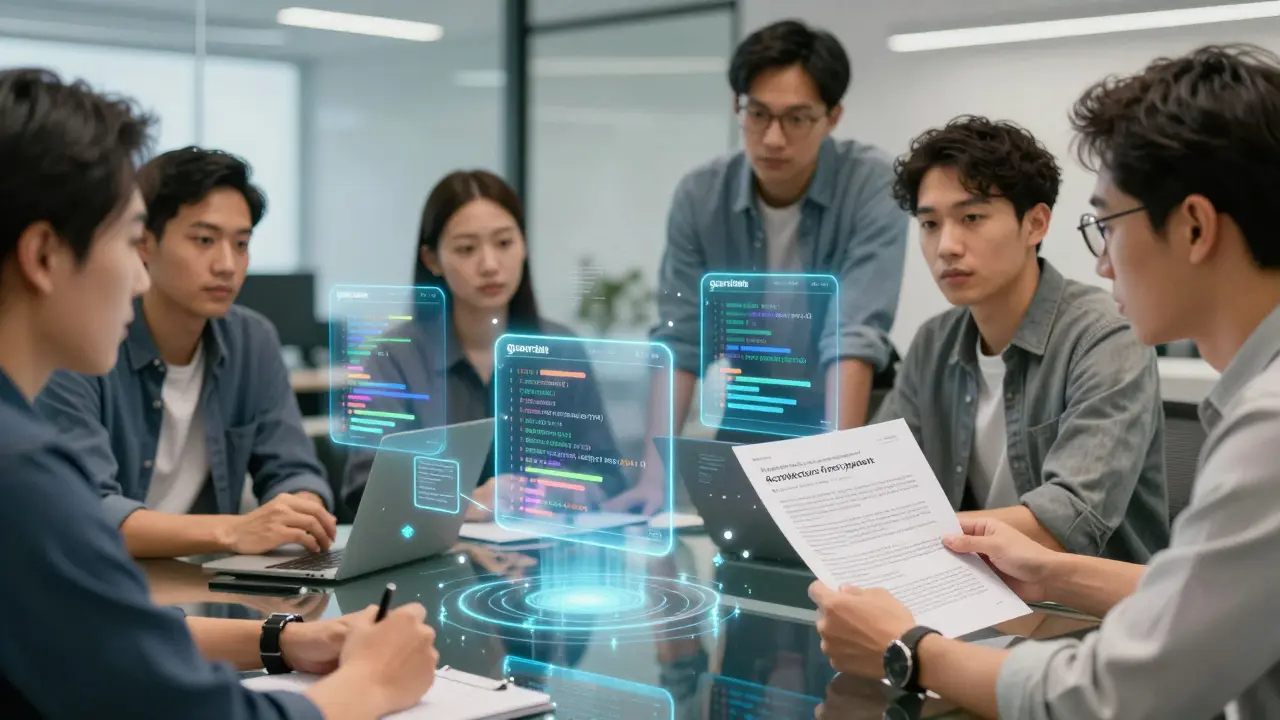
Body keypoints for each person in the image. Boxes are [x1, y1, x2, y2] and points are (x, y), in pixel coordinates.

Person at [809, 44, 1280, 719]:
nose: (1104, 265)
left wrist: (908, 647)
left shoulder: (1267, 428)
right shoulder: (936, 343)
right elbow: (1207, 598)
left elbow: (1117, 693)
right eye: (930, 224)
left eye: (1108, 226)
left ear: (1196, 226)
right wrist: (1051, 574)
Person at [0, 67, 439, 719]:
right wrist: (368, 686)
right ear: (43, 256)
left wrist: (286, 640)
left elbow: (112, 640)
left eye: (240, 243)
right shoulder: (23, 473)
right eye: (128, 241)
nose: (136, 275)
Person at [615, 19, 908, 515]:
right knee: (735, 548)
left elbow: (853, 336)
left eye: (797, 118)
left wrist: (838, 473)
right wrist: (654, 478)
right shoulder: (701, 195)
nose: (773, 138)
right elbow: (680, 342)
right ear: (738, 107)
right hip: (756, 403)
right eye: (758, 114)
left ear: (833, 117)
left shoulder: (871, 185)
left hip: (848, 410)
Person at [871, 116, 1167, 561]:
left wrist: (918, 532)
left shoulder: (1104, 336)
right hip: (976, 588)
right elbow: (878, 483)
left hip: (1094, 612)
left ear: (1036, 224)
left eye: (971, 217)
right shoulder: (933, 343)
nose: (947, 246)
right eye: (930, 224)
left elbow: (1067, 520)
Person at [35, 146, 337, 559]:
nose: (227, 265)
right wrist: (235, 531)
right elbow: (85, 510)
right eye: (204, 240)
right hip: (103, 580)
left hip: (205, 584)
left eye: (242, 243)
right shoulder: (85, 341)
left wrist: (302, 508)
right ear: (145, 243)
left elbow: (293, 468)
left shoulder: (252, 340)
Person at [341, 169, 627, 519]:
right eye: (466, 249)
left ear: (524, 246)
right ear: (432, 260)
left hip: (549, 557)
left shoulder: (561, 349)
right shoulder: (393, 357)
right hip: (434, 559)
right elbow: (366, 488)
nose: (490, 265)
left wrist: (556, 492)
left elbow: (609, 478)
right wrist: (467, 502)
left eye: (505, 243)